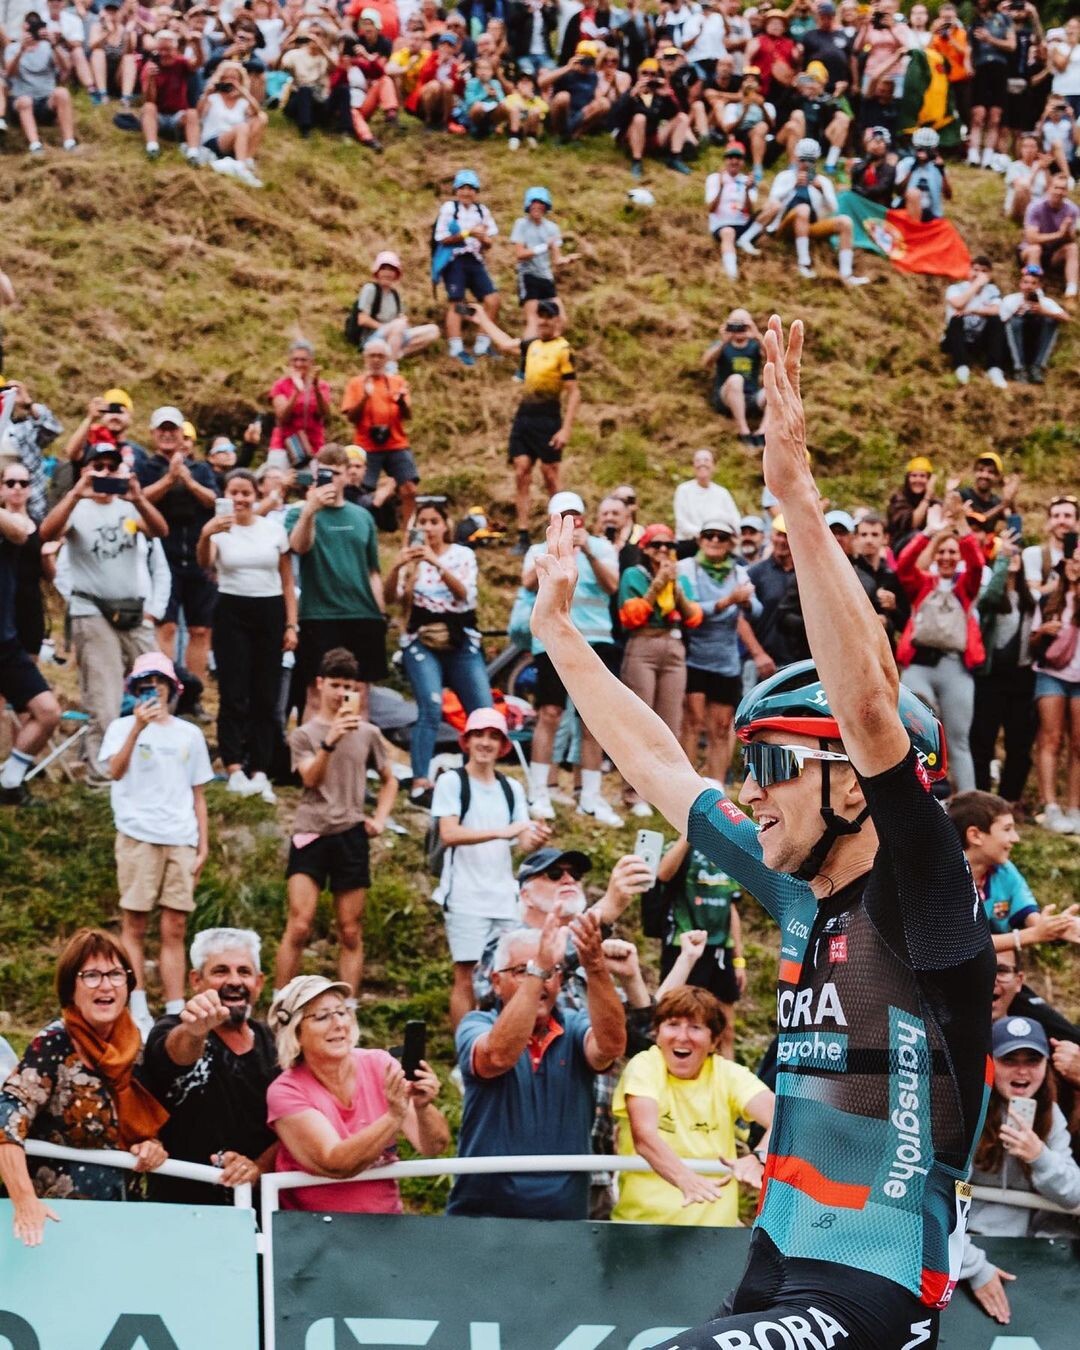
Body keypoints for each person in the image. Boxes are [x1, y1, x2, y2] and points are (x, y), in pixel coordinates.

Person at [529, 315, 995, 1348]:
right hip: (774, 1270)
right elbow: (659, 764)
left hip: (868, 1294)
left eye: (777, 765)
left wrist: (794, 498)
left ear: (855, 789)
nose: (755, 791)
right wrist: (561, 636)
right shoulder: (799, 892)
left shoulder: (924, 898)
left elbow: (872, 705)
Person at [447, 912, 626, 1219]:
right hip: (482, 1220)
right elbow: (497, 1056)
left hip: (564, 1218)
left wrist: (595, 966)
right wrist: (539, 969)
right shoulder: (476, 1024)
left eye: (553, 971)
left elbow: (610, 1047)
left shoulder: (574, 1026)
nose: (542, 979)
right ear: (496, 982)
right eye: (522, 970)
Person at [0, 928, 168, 1245]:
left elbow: (141, 1126)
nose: (105, 985)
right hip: (53, 1226)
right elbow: (7, 1114)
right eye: (91, 975)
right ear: (70, 989)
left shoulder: (135, 1046)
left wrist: (151, 1147)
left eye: (116, 974)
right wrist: (24, 1202)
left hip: (120, 1220)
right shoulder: (54, 1043)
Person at [99, 652, 212, 1040]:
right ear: (135, 689)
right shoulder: (120, 728)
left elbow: (198, 794)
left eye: (160, 682)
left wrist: (203, 843)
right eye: (146, 683)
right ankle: (137, 1005)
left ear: (172, 687)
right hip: (138, 835)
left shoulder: (189, 734)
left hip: (180, 837)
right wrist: (136, 729)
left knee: (176, 925)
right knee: (135, 922)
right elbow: (114, 771)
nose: (154, 689)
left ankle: (176, 1008)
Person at [267, 975, 449, 1212]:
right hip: (314, 1230)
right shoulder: (285, 1091)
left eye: (342, 1012)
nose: (339, 1024)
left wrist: (423, 1107)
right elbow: (335, 1163)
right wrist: (393, 1117)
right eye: (322, 1016)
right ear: (296, 1033)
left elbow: (434, 1146)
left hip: (385, 1223)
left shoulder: (379, 1063)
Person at [38, 445, 167, 781]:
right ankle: (100, 773)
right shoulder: (77, 508)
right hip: (91, 609)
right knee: (104, 696)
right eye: (99, 466)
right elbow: (46, 534)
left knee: (159, 681)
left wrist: (138, 497)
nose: (106, 474)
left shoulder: (129, 505)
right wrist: (76, 492)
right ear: (87, 469)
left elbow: (159, 530)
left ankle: (147, 761)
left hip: (133, 610)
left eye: (113, 467)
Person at [276, 647, 397, 998]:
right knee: (299, 924)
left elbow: (390, 779)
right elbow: (310, 779)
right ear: (320, 685)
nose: (343, 693)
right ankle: (281, 1003)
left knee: (350, 931)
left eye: (350, 686)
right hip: (310, 832)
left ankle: (349, 1007)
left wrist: (380, 819)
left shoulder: (368, 733)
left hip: (350, 833)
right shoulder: (303, 735)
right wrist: (330, 741)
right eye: (336, 685)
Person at [137, 927, 279, 1204]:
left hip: (257, 1212)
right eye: (220, 971)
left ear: (259, 983)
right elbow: (176, 1056)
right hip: (180, 1208)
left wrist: (257, 1168)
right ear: (196, 980)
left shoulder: (275, 1044)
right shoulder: (172, 1028)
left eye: (244, 972)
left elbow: (295, 1118)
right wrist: (195, 1031)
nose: (234, 981)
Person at [612, 985, 774, 1225]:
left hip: (714, 1235)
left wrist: (759, 1156)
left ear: (713, 1041)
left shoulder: (727, 1074)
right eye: (673, 1024)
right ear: (657, 1033)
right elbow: (644, 1136)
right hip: (641, 1229)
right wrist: (685, 1179)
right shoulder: (645, 1066)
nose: (682, 1036)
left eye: (695, 1027)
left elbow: (784, 1116)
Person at [960, 1016, 1080, 1326]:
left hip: (1034, 1252)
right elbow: (948, 1199)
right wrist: (974, 1267)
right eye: (1009, 1060)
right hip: (974, 1249)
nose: (1022, 1071)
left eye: (1032, 1060)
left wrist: (1040, 1156)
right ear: (991, 1063)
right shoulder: (969, 1111)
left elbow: (1073, 1194)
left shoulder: (1049, 1114)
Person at [432, 708, 546, 1027]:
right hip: (465, 896)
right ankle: (467, 1054)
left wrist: (536, 837)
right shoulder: (452, 782)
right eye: (479, 735)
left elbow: (523, 842)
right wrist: (502, 831)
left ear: (502, 745)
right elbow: (449, 833)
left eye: (494, 737)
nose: (485, 743)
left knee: (508, 974)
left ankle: (501, 1048)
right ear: (466, 741)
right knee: (466, 976)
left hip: (503, 897)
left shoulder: (512, 788)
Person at [520, 490, 622, 824]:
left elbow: (611, 585)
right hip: (552, 638)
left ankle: (589, 796)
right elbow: (526, 582)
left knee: (594, 719)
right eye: (563, 514)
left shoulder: (601, 547)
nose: (570, 520)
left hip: (596, 640)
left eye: (575, 514)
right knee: (549, 712)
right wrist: (556, 551)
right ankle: (538, 790)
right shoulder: (538, 549)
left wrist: (587, 549)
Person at [196, 468, 296, 802]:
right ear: (225, 496)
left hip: (269, 610)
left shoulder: (273, 529)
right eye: (233, 493)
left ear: (256, 495)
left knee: (266, 696)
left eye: (246, 493)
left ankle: (261, 770)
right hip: (231, 609)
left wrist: (291, 625)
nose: (240, 499)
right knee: (234, 691)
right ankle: (234, 765)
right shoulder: (219, 530)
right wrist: (206, 533)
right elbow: (205, 564)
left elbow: (286, 581)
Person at [385, 495, 493, 798]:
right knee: (430, 706)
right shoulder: (411, 561)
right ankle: (421, 778)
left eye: (434, 522)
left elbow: (464, 595)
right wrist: (398, 566)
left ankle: (480, 774)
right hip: (422, 639)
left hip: (460, 637)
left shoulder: (462, 555)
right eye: (423, 523)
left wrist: (435, 562)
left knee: (482, 709)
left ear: (446, 525)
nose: (429, 529)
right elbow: (390, 599)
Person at [466, 300, 580, 555]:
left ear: (557, 321)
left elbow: (574, 393)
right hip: (525, 417)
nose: (543, 322)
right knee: (521, 472)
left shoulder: (563, 349)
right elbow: (506, 344)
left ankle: (561, 533)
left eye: (548, 318)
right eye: (540, 317)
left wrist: (566, 429)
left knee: (551, 477)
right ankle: (523, 533)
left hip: (548, 418)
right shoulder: (532, 345)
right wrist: (482, 318)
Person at [286, 444, 387, 719]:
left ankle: (355, 760)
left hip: (362, 614)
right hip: (318, 615)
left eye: (336, 473)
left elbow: (372, 571)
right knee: (316, 695)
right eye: (324, 473)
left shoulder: (362, 516)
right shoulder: (299, 513)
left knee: (360, 697)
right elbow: (298, 546)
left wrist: (381, 613)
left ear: (347, 476)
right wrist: (310, 510)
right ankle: (309, 759)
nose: (331, 479)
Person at [895, 492, 985, 794]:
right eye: (941, 553)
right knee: (911, 734)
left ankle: (969, 804)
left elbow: (977, 564)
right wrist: (929, 533)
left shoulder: (965, 587)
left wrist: (961, 525)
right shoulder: (922, 584)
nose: (946, 557)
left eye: (952, 552)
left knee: (958, 739)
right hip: (919, 665)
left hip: (954, 666)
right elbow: (903, 566)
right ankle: (914, 798)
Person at [136, 405, 218, 692]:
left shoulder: (201, 469)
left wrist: (186, 479)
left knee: (200, 630)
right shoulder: (145, 467)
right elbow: (139, 499)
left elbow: (213, 500)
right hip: (163, 558)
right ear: (153, 434)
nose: (168, 435)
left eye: (173, 429)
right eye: (163, 429)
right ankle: (164, 691)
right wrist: (169, 479)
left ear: (182, 433)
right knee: (166, 626)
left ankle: (194, 695)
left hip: (198, 558)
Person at [948, 791, 1080, 955]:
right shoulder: (941, 878)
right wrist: (1033, 935)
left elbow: (1030, 917)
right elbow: (961, 943)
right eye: (1007, 829)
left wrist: (1060, 926)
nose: (1015, 838)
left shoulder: (1004, 870)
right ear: (975, 835)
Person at [649, 839, 748, 1058]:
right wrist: (689, 832)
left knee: (726, 1029)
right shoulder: (680, 849)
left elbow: (731, 909)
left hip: (720, 950)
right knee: (676, 1023)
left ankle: (728, 1086)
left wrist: (739, 960)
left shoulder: (726, 852)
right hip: (685, 947)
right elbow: (663, 874)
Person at [679, 518, 760, 782]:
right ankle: (689, 784)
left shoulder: (739, 572)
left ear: (730, 543)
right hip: (694, 656)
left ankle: (715, 787)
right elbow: (692, 611)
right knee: (692, 722)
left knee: (721, 726)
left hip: (726, 659)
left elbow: (756, 609)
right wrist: (730, 601)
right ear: (700, 540)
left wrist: (744, 603)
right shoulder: (687, 568)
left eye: (721, 537)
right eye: (709, 535)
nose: (715, 541)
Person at [618, 523, 703, 763]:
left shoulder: (679, 577)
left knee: (671, 720)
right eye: (656, 544)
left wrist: (674, 587)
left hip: (673, 645)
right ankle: (633, 791)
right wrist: (657, 585)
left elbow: (694, 617)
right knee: (641, 717)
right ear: (645, 548)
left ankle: (666, 784)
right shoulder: (634, 575)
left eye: (669, 544)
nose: (663, 548)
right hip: (643, 642)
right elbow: (631, 616)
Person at [0, 476, 61, 805]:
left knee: (48, 712)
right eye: (11, 482)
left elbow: (21, 532)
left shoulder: (10, 523)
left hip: (6, 642)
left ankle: (10, 779)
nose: (17, 487)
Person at [971, 530, 1037, 803]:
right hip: (991, 676)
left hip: (1022, 678)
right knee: (983, 739)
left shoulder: (1030, 598)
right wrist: (1000, 560)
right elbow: (987, 599)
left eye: (1016, 555)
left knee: (1019, 743)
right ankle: (984, 796)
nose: (1012, 559)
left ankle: (1010, 799)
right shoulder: (992, 595)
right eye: (1007, 555)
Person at [755, 138, 869, 285]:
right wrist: (793, 185)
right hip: (784, 226)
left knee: (845, 222)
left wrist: (820, 189)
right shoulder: (785, 176)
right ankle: (804, 263)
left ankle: (846, 274)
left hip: (810, 227)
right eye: (803, 160)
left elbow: (833, 209)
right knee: (803, 209)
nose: (806, 164)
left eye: (810, 160)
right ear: (796, 159)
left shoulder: (823, 181)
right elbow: (772, 201)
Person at [340, 338, 417, 529]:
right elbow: (350, 417)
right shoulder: (356, 383)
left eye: (380, 356)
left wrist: (400, 401)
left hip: (396, 443)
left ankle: (409, 530)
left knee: (409, 487)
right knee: (359, 489)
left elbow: (408, 414)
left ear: (387, 358)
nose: (376, 360)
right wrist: (365, 397)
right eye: (372, 355)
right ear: (365, 358)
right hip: (366, 445)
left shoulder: (397, 382)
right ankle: (361, 526)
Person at [1030, 552, 1080, 835]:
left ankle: (1074, 807)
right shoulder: (1049, 600)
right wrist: (1044, 632)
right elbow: (1032, 641)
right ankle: (1049, 805)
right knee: (1051, 739)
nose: (1075, 566)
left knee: (1078, 744)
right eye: (1072, 562)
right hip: (1051, 675)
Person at [432, 169, 500, 369]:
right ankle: (456, 347)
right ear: (456, 190)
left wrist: (483, 239)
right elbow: (442, 237)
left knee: (492, 299)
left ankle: (482, 344)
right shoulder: (449, 208)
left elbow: (489, 242)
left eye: (471, 188)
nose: (467, 192)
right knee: (456, 301)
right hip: (454, 260)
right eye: (463, 188)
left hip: (474, 259)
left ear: (476, 191)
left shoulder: (482, 211)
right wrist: (468, 233)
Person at [4, 10, 79, 154]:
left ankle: (69, 142)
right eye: (29, 25)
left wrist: (54, 45)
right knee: (25, 101)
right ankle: (35, 146)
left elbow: (66, 68)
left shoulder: (48, 48)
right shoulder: (13, 48)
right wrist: (21, 50)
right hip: (22, 102)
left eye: (36, 25)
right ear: (23, 27)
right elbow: (9, 73)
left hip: (46, 102)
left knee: (62, 92)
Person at [510, 187, 579, 339]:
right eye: (534, 204)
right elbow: (520, 254)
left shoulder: (552, 228)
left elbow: (556, 259)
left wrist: (567, 260)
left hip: (546, 278)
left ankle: (549, 354)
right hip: (529, 277)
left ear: (546, 207)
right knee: (533, 321)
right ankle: (527, 358)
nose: (537, 207)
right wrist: (543, 247)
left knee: (560, 319)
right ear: (528, 206)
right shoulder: (521, 224)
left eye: (541, 204)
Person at [350, 251, 439, 369]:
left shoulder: (395, 295)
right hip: (373, 338)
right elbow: (363, 319)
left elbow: (400, 320)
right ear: (377, 272)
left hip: (394, 337)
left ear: (396, 274)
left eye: (391, 270)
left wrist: (401, 324)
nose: (387, 273)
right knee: (399, 324)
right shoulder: (370, 289)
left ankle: (390, 355)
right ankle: (390, 364)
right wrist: (387, 327)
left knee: (433, 331)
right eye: (384, 269)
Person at [196, 60, 267, 188]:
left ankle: (247, 159)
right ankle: (241, 167)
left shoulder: (242, 102)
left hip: (235, 141)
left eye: (234, 78)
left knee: (260, 118)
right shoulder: (213, 98)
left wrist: (244, 92)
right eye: (226, 78)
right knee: (242, 126)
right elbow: (198, 115)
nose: (230, 81)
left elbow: (257, 113)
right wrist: (206, 93)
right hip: (214, 140)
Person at [941, 255, 1007, 389]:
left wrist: (972, 310)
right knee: (956, 319)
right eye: (975, 270)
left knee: (996, 321)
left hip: (978, 339)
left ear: (989, 275)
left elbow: (995, 310)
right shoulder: (955, 288)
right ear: (969, 271)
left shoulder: (992, 290)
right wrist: (976, 285)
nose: (978, 274)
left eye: (984, 271)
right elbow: (958, 304)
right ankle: (961, 367)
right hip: (956, 339)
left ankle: (994, 369)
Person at [999, 263, 1071, 385]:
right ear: (1020, 284)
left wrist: (1044, 312)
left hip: (1036, 343)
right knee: (1014, 322)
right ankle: (1019, 369)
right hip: (1013, 345)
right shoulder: (1010, 300)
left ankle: (1037, 367)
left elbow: (1066, 318)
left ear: (1039, 286)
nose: (1029, 286)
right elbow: (1000, 324)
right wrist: (1016, 312)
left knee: (1051, 321)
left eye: (1033, 283)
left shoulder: (1045, 302)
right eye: (1026, 282)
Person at [966, 0, 1016, 169]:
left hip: (999, 69)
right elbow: (969, 49)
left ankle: (988, 157)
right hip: (980, 69)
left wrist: (990, 39)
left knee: (995, 117)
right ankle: (973, 155)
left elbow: (1011, 45)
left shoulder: (1004, 19)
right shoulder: (974, 21)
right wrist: (968, 64)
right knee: (978, 115)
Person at [702, 317, 766, 448]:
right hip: (726, 397)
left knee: (774, 390)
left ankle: (762, 433)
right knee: (736, 379)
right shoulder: (721, 345)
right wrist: (723, 341)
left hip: (751, 397)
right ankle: (744, 432)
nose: (738, 330)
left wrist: (757, 336)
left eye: (742, 326)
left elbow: (774, 358)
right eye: (734, 326)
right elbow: (706, 363)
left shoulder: (755, 345)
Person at [139, 27, 199, 162]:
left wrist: (197, 44)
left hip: (177, 117)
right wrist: (150, 79)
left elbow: (199, 63)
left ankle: (193, 153)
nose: (164, 53)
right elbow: (148, 99)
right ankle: (152, 147)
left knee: (192, 113)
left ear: (176, 50)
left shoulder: (181, 62)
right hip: (158, 117)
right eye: (161, 50)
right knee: (148, 107)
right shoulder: (149, 67)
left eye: (168, 50)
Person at [268, 339, 333, 463]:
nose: (298, 364)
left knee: (312, 480)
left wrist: (316, 389)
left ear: (311, 361)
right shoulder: (280, 385)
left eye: (303, 360)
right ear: (289, 361)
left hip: (313, 444)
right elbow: (282, 417)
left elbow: (325, 414)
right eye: (295, 360)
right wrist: (296, 392)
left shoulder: (322, 385)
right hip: (284, 444)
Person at [1020, 172, 1079, 303]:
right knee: (1035, 249)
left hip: (1053, 254)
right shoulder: (1035, 207)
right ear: (1049, 188)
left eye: (1063, 188)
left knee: (1072, 248)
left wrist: (1067, 232)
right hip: (1031, 252)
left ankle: (1072, 292)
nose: (1059, 192)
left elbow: (1071, 238)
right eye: (1056, 187)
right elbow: (1031, 238)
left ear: (1067, 191)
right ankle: (1036, 293)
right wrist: (1058, 234)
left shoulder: (1072, 209)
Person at [704, 143, 759, 283]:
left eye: (738, 158)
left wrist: (747, 190)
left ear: (743, 162)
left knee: (773, 207)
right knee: (728, 233)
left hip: (743, 223)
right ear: (725, 160)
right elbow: (710, 208)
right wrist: (721, 188)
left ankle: (745, 239)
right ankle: (732, 274)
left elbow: (750, 210)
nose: (734, 161)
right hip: (723, 224)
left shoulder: (747, 180)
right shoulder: (715, 178)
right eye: (730, 157)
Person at [673, 448, 741, 542]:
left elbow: (735, 519)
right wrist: (704, 534)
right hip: (690, 541)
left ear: (713, 466)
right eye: (698, 460)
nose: (702, 463)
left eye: (706, 460)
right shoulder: (683, 490)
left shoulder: (722, 492)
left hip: (717, 539)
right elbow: (682, 523)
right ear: (693, 466)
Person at [895, 126, 952, 224]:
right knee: (914, 194)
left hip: (928, 212)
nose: (922, 153)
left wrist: (942, 172)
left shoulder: (937, 168)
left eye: (926, 149)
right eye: (920, 148)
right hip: (905, 208)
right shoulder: (905, 164)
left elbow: (948, 196)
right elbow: (898, 192)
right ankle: (914, 228)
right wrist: (913, 169)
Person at [886, 455, 937, 552]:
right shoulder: (898, 499)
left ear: (929, 480)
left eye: (922, 476)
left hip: (927, 546)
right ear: (907, 478)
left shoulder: (934, 501)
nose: (918, 480)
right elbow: (913, 523)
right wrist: (926, 498)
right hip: (900, 545)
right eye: (914, 476)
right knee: (917, 535)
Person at [848, 124, 897, 206]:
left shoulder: (889, 168)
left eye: (880, 142)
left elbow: (881, 189)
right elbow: (854, 180)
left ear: (886, 146)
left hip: (878, 207)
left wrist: (862, 190)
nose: (875, 145)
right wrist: (867, 160)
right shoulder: (861, 165)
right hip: (860, 203)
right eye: (873, 141)